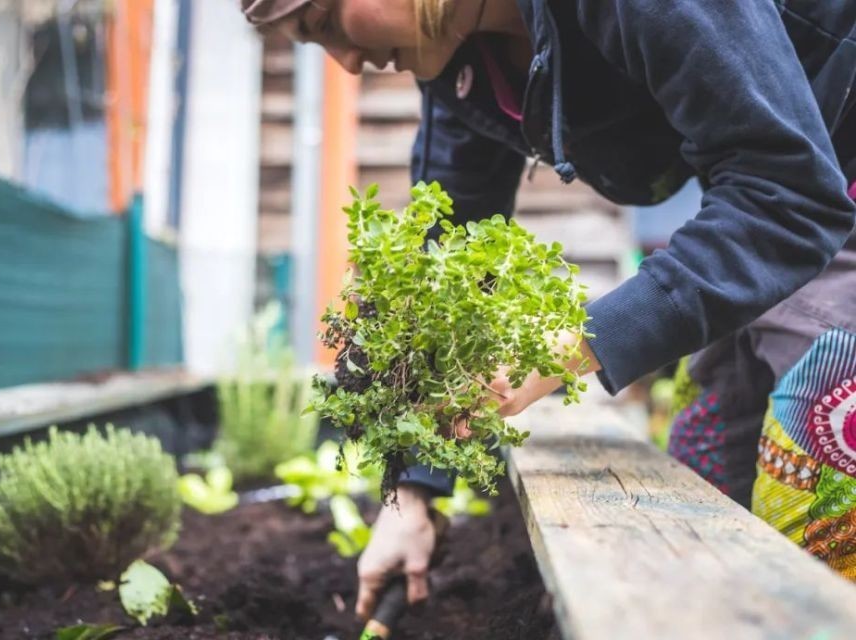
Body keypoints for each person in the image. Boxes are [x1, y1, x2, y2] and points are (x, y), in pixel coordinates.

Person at [241, 0, 856, 617]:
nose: (345, 63)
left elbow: (787, 197)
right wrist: (412, 495)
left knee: (821, 484)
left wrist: (563, 349)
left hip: (821, 187)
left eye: (324, 24)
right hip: (788, 199)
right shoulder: (464, 56)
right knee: (708, 475)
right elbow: (450, 250)